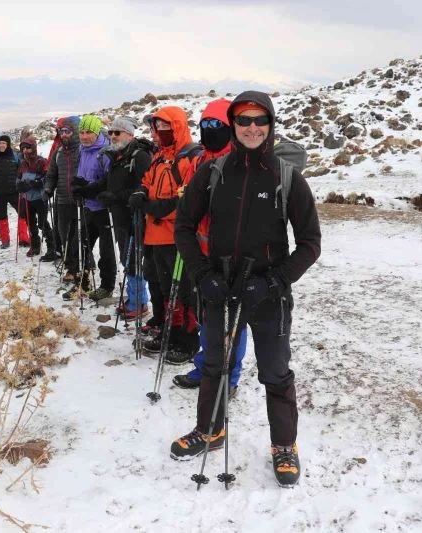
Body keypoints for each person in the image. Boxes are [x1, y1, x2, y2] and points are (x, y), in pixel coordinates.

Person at [170, 91, 321, 489]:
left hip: (269, 293)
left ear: (270, 125)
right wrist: (204, 275)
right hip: (220, 288)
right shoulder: (214, 172)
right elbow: (183, 226)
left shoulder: (287, 177)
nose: (252, 128)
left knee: (275, 371)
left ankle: (285, 445)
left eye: (260, 120)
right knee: (215, 364)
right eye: (244, 120)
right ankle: (210, 429)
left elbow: (309, 242)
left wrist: (276, 280)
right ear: (233, 125)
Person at [173, 98, 247, 392]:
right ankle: (205, 367)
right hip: (201, 256)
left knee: (233, 324)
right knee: (206, 318)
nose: (209, 130)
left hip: (231, 257)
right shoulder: (199, 160)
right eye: (204, 125)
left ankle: (230, 378)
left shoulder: (240, 163)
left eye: (217, 125)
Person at [128, 106, 203, 363]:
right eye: (155, 127)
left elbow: (188, 198)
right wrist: (140, 191)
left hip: (176, 237)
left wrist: (160, 208)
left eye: (162, 127)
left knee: (183, 291)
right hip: (155, 235)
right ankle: (170, 330)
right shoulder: (160, 158)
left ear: (176, 127)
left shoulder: (189, 158)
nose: (157, 132)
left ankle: (188, 339)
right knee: (161, 286)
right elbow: (148, 180)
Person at [91, 116, 152, 319]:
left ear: (129, 134)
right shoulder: (118, 157)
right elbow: (107, 183)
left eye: (117, 133)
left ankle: (139, 303)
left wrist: (116, 197)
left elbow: (143, 187)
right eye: (111, 133)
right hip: (119, 217)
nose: (113, 136)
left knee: (133, 259)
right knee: (128, 259)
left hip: (134, 217)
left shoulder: (139, 156)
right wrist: (86, 188)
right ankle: (134, 299)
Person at [63, 114, 113, 301]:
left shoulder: (106, 152)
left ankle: (107, 286)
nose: (84, 136)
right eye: (82, 132)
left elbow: (109, 182)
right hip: (87, 206)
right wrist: (78, 187)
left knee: (106, 250)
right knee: (81, 245)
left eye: (88, 132)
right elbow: (82, 174)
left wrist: (89, 189)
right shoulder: (83, 150)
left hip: (103, 209)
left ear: (97, 132)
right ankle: (81, 284)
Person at [42, 116, 81, 272]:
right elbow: (51, 175)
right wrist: (48, 189)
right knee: (64, 235)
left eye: (67, 131)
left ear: (75, 131)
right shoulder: (59, 152)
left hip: (80, 200)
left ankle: (81, 267)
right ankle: (71, 266)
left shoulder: (83, 150)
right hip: (62, 200)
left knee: (78, 238)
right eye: (61, 131)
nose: (63, 134)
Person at [0, 135, 28, 250]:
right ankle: (5, 240)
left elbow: (22, 173)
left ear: (8, 145)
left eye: (4, 143)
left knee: (22, 214)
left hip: (15, 192)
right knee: (1, 216)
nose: (2, 145)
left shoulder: (15, 157)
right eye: (0, 143)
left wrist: (22, 186)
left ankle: (23, 238)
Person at [16, 136, 53, 257]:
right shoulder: (22, 163)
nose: (25, 151)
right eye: (23, 148)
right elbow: (18, 178)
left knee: (42, 223)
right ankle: (35, 246)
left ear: (34, 148)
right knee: (30, 223)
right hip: (27, 198)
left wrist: (38, 183)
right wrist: (19, 186)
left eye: (28, 148)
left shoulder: (41, 161)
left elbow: (48, 178)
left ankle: (52, 247)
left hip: (40, 198)